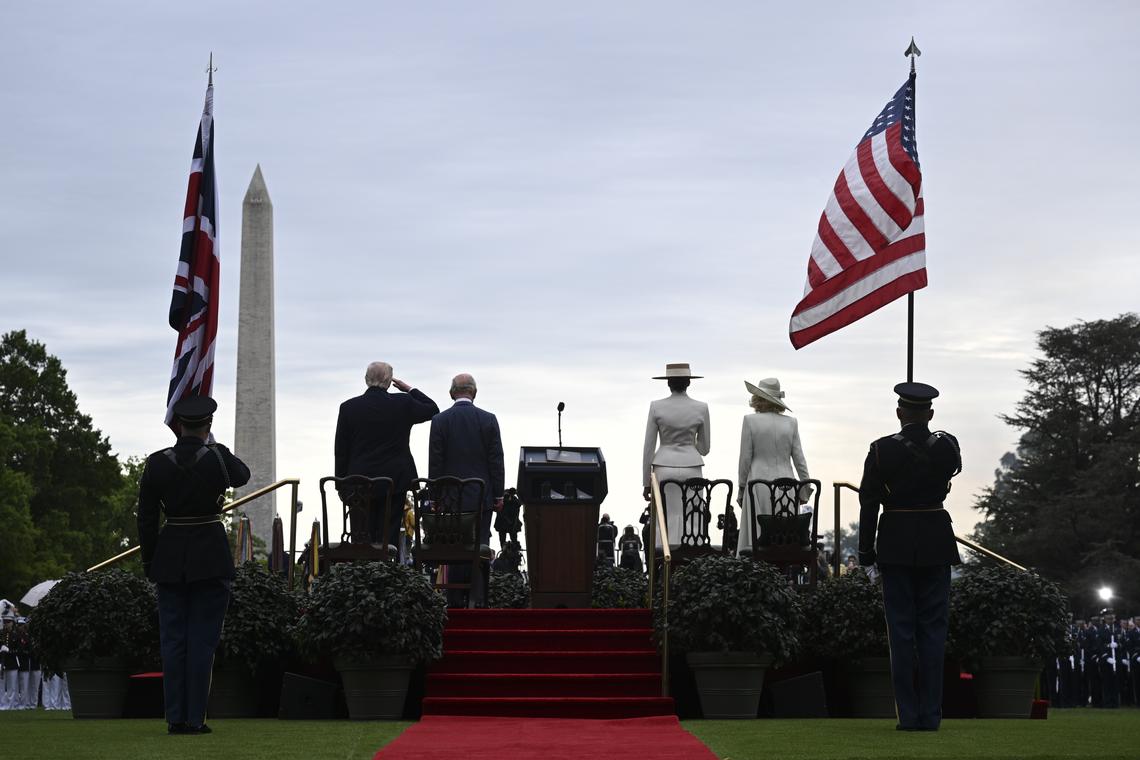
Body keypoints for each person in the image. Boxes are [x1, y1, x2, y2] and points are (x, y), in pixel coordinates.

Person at [137, 395, 251, 735]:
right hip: (210, 556)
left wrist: (150, 559)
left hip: (170, 556)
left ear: (178, 425)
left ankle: (175, 718)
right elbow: (242, 475)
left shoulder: (157, 463)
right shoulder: (216, 459)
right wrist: (215, 447)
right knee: (202, 642)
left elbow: (146, 518)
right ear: (209, 425)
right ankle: (195, 717)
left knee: (172, 642)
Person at [858, 382, 962, 732]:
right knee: (933, 632)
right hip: (936, 541)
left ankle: (909, 714)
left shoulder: (881, 449)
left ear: (899, 412)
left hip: (896, 543)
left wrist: (865, 553)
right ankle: (931, 715)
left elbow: (869, 502)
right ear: (930, 414)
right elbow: (952, 469)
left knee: (900, 633)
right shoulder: (947, 447)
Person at [335, 362, 439, 546]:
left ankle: (362, 570)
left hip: (359, 482)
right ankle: (386, 568)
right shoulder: (403, 403)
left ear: (366, 380)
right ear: (390, 381)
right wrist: (410, 389)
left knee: (362, 535)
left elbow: (341, 450)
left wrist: (341, 484)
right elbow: (432, 409)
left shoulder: (348, 408)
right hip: (395, 480)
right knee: (388, 535)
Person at [428, 373, 505, 607]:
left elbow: (436, 462)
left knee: (453, 546)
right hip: (481, 496)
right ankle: (478, 599)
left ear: (452, 393)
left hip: (450, 498)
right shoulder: (489, 420)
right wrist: (499, 495)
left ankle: (453, 600)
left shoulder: (440, 421)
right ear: (474, 392)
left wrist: (434, 497)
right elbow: (496, 461)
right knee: (480, 545)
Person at [735, 377, 811, 555]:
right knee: (783, 541)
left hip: (758, 485)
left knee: (757, 538)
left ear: (758, 399)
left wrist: (741, 488)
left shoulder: (750, 421)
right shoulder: (791, 423)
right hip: (787, 487)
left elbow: (745, 459)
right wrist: (805, 489)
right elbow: (799, 460)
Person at [642, 363, 711, 546]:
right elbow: (705, 448)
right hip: (692, 466)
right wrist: (689, 442)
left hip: (663, 465)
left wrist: (646, 482)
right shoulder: (701, 407)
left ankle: (663, 557)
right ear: (689, 382)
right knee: (692, 515)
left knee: (664, 516)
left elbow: (648, 447)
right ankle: (691, 557)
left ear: (668, 383)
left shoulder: (656, 407)